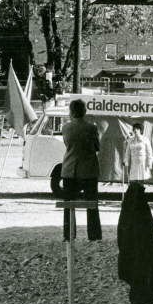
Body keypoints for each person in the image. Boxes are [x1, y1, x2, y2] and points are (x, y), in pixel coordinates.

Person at [61, 99, 102, 242]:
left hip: (70, 169)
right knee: (92, 204)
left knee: (68, 204)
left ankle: (69, 235)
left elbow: (67, 144)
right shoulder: (92, 128)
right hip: (88, 170)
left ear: (71, 112)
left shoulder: (65, 128)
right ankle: (94, 235)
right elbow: (97, 147)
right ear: (84, 111)